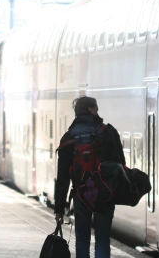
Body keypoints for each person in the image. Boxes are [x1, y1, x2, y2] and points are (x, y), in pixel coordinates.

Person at [54, 96, 125, 258]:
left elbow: (63, 176)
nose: (98, 111)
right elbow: (120, 164)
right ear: (91, 110)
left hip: (80, 194)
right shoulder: (108, 132)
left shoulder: (68, 137)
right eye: (96, 109)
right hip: (105, 194)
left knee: (82, 238)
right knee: (102, 239)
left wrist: (59, 208)